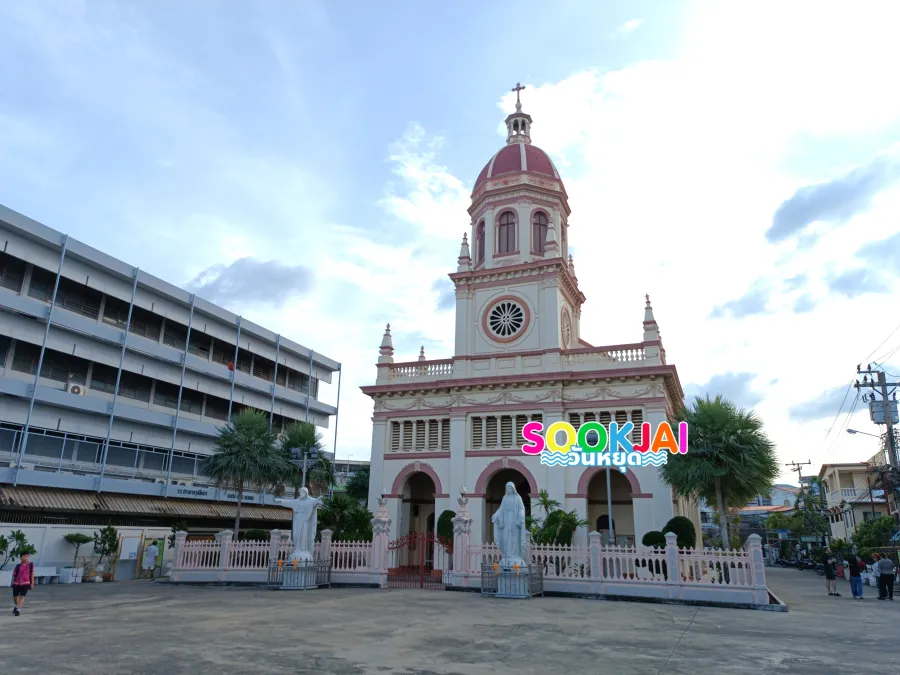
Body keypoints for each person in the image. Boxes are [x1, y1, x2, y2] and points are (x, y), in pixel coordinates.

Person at [11, 552, 35, 616]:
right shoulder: (18, 566)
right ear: (20, 558)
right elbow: (13, 575)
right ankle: (16, 606)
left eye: (27, 556)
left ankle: (18, 610)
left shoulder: (31, 565)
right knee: (15, 597)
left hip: (26, 583)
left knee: (22, 596)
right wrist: (12, 583)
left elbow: (32, 574)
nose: (26, 558)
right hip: (16, 583)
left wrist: (32, 583)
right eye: (24, 556)